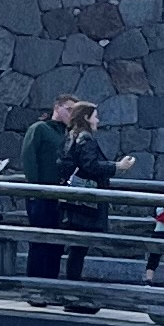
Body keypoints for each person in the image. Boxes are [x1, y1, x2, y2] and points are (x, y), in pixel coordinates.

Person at [57, 99, 137, 294]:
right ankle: (73, 292)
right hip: (86, 202)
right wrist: (117, 166)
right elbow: (91, 165)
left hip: (76, 200)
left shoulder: (72, 136)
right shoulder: (86, 139)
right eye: (95, 116)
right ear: (86, 117)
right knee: (79, 248)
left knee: (77, 248)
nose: (98, 120)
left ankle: (72, 289)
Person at [18, 95, 73, 283]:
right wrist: (35, 190)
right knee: (40, 242)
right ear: (57, 107)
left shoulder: (67, 134)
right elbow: (29, 159)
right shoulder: (39, 129)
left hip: (61, 196)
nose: (71, 114)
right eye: (69, 109)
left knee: (56, 245)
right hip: (41, 196)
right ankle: (35, 286)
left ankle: (51, 284)